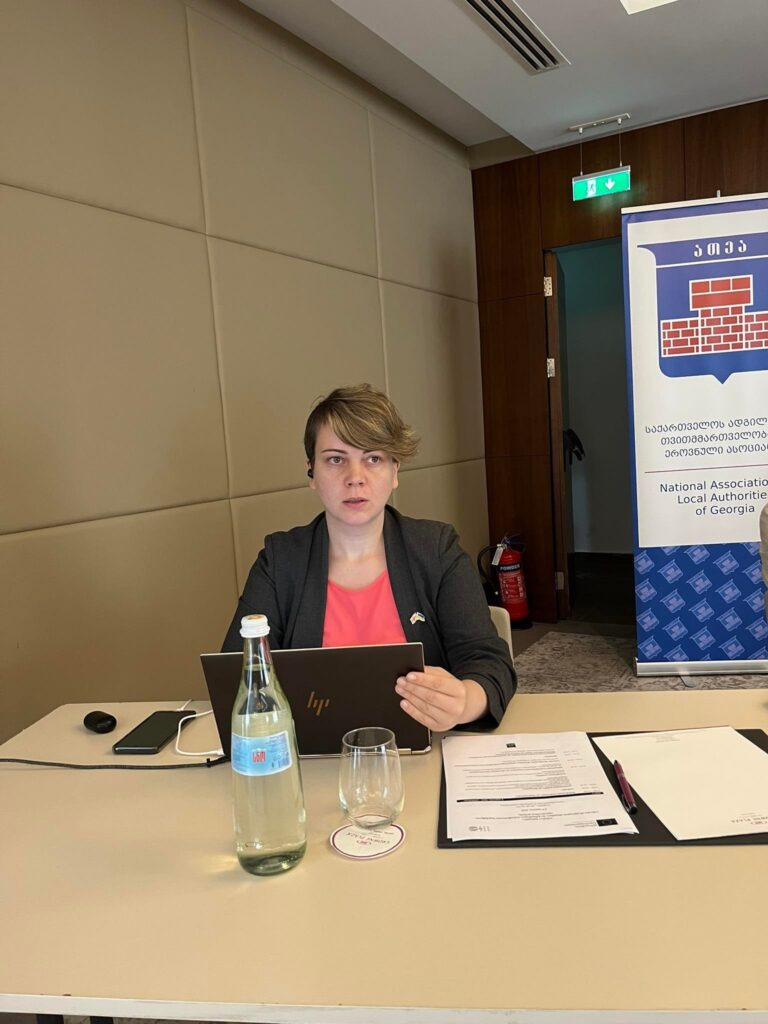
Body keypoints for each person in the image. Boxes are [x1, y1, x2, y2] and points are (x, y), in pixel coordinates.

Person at [223, 384, 516, 730]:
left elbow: (489, 663)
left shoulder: (436, 550)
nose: (355, 479)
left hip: (426, 749)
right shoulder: (280, 561)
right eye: (335, 459)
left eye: (373, 458)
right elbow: (237, 677)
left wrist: (465, 700)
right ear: (311, 473)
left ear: (395, 471)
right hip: (308, 755)